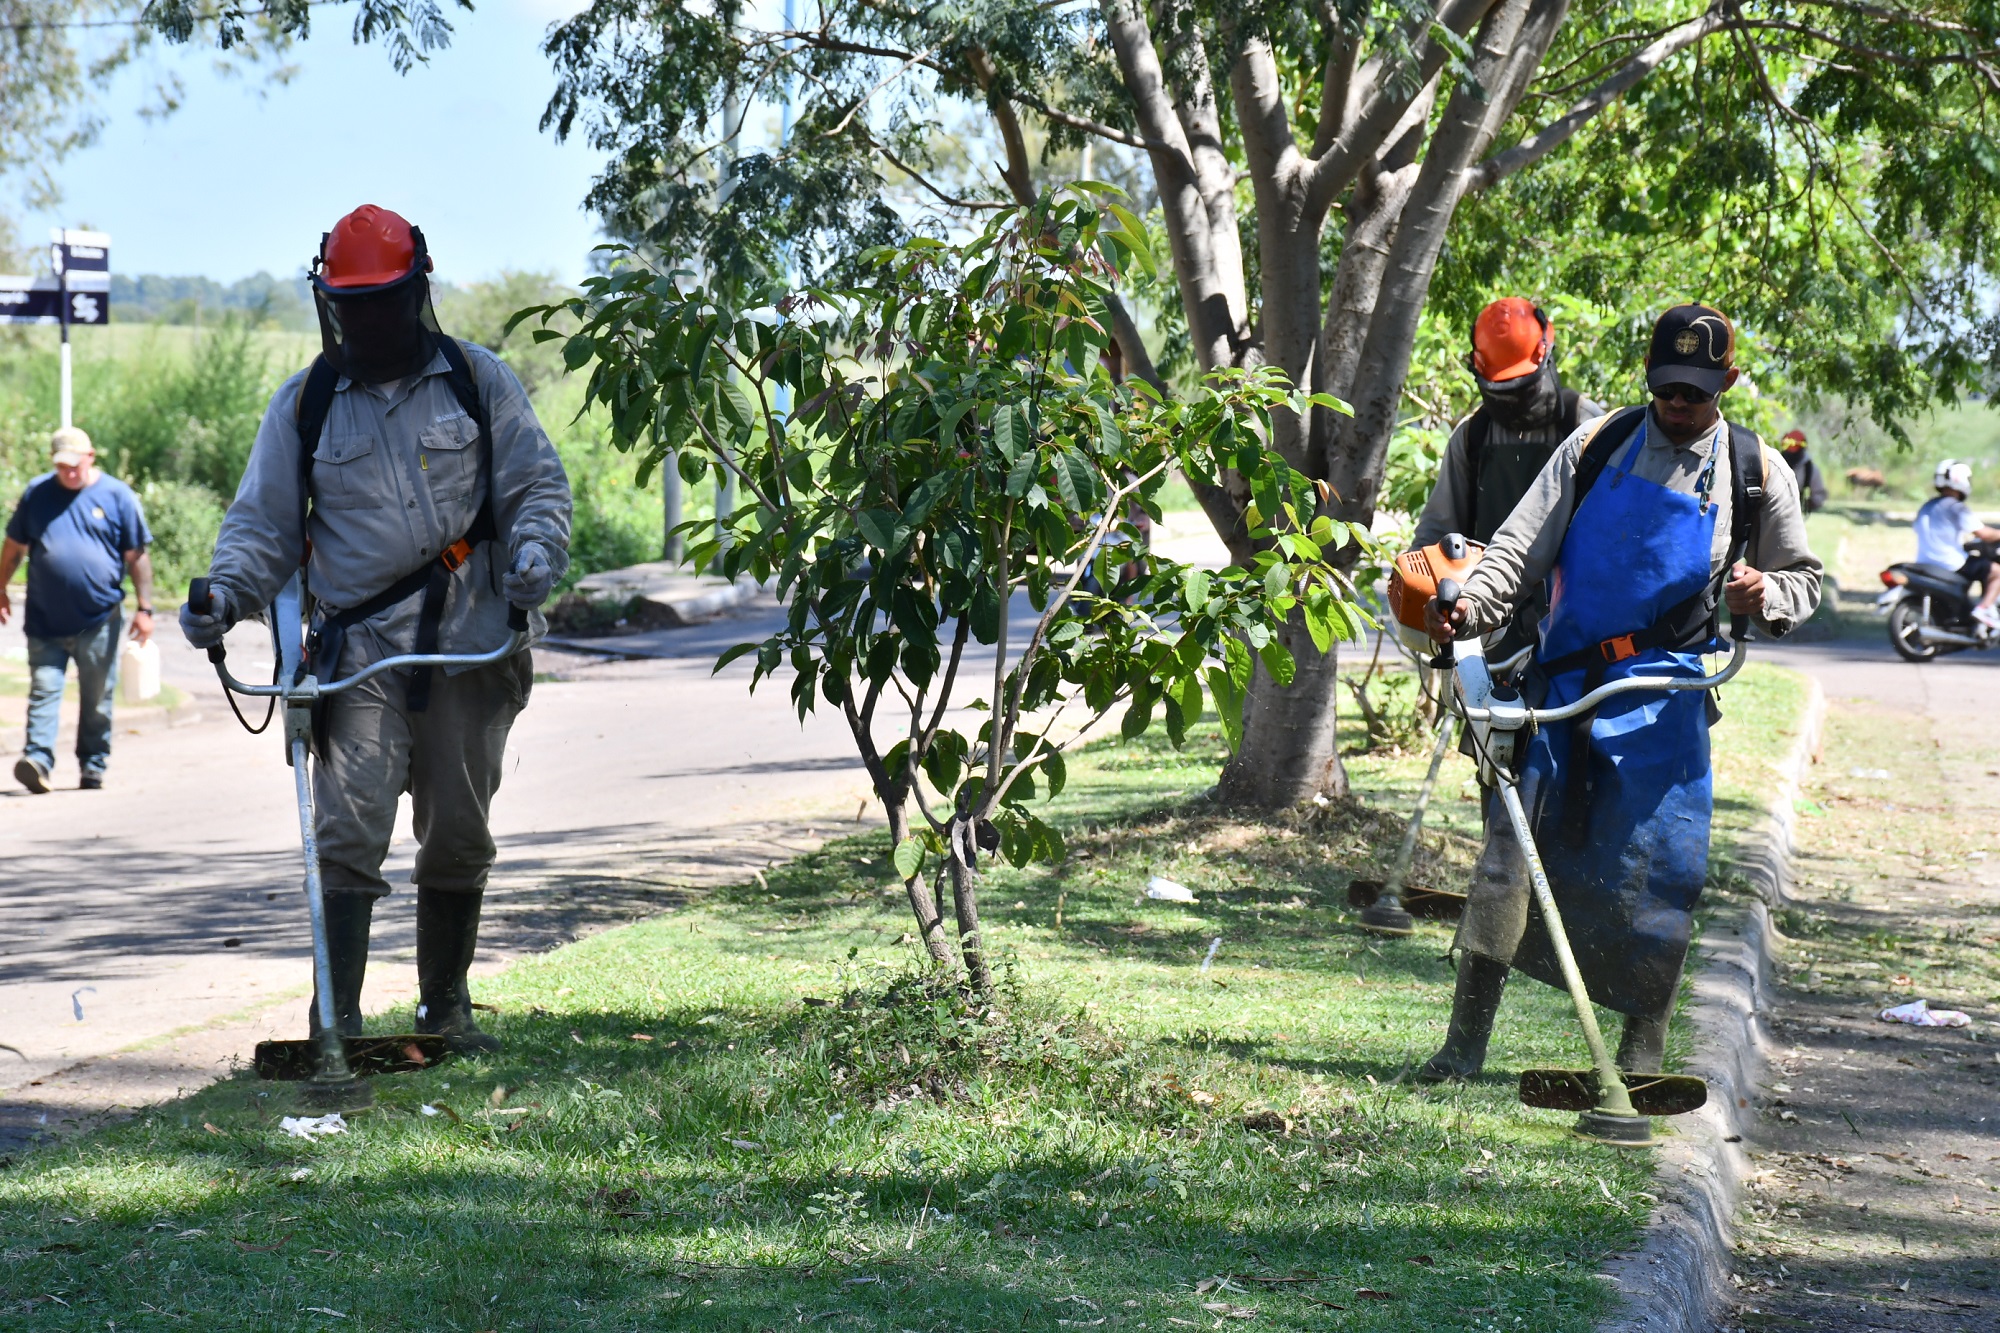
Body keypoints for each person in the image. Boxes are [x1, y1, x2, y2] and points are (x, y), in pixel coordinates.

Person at [180, 205, 572, 1052]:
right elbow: (262, 531)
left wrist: (537, 552)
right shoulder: (309, 403)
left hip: (469, 648)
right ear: (328, 301)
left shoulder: (478, 381)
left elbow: (538, 487)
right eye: (346, 302)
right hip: (358, 661)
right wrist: (224, 598)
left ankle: (445, 1006)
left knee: (459, 835)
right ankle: (337, 1020)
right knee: (348, 829)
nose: (362, 318)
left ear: (415, 292)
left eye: (378, 300)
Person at [1420, 304, 1822, 1080]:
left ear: (1728, 383)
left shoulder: (1754, 471)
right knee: (1511, 854)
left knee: (1659, 866)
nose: (1678, 407)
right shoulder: (1595, 445)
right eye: (1667, 390)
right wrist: (1472, 602)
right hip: (1562, 684)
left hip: (1665, 702)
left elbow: (1803, 582)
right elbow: (1516, 552)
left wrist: (1763, 593)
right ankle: (1462, 1046)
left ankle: (1641, 1060)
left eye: (1695, 395)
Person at [1411, 297, 1604, 659]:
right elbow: (1434, 537)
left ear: (1546, 358)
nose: (1515, 400)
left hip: (1576, 628)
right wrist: (1429, 604)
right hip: (1484, 625)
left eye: (1523, 387)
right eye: (1505, 389)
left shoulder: (1586, 426)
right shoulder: (1472, 438)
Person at [0, 427, 155, 793]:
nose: (69, 472)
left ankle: (93, 764)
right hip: (44, 619)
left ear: (90, 457)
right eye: (61, 466)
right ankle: (37, 760)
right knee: (44, 688)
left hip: (99, 618)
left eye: (75, 464)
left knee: (97, 696)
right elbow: (14, 547)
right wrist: (1, 588)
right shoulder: (38, 493)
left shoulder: (116, 496)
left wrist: (145, 608)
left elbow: (137, 557)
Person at [1912, 459, 2000, 629]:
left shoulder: (1927, 506)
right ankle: (1984, 609)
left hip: (1924, 562)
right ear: (1960, 480)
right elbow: (1984, 534)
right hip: (1950, 563)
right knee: (1996, 571)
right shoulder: (1955, 507)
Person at [1778, 429, 1828, 512]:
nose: (1791, 455)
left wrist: (1808, 503)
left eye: (1794, 453)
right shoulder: (1775, 464)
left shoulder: (1810, 470)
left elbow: (1819, 495)